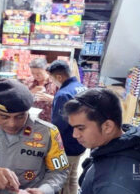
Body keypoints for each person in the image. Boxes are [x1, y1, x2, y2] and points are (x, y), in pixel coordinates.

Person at [64, 88, 140, 194]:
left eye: (80, 128)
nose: (74, 135)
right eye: (73, 128)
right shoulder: (115, 146)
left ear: (107, 126)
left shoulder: (115, 183)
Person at [46, 60, 87, 194]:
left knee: (62, 180)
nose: (53, 83)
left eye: (52, 79)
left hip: (67, 145)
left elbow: (58, 125)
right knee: (72, 177)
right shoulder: (81, 87)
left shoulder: (63, 94)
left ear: (59, 77)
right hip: (80, 142)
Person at [23, 58, 57, 122]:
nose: (36, 76)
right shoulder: (29, 82)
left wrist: (52, 99)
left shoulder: (55, 82)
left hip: (50, 121)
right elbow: (20, 99)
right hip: (30, 120)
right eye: (33, 73)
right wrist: (30, 93)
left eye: (39, 73)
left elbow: (64, 102)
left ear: (46, 70)